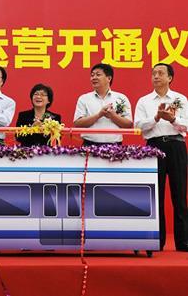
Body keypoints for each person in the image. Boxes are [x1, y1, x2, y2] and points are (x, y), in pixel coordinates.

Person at [135, 63, 188, 251]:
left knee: (180, 195)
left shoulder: (180, 99)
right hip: (154, 147)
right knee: (155, 196)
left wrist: (172, 119)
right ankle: (157, 241)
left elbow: (186, 127)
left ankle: (183, 242)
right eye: (153, 73)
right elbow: (139, 126)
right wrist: (156, 118)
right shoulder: (144, 101)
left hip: (177, 146)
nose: (156, 76)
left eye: (160, 73)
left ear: (170, 78)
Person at [73, 63, 132, 145]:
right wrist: (99, 115)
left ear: (109, 78)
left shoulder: (121, 98)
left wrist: (113, 116)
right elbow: (77, 123)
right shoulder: (84, 98)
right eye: (92, 75)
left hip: (114, 146)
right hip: (89, 145)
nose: (94, 78)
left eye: (98, 75)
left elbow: (128, 125)